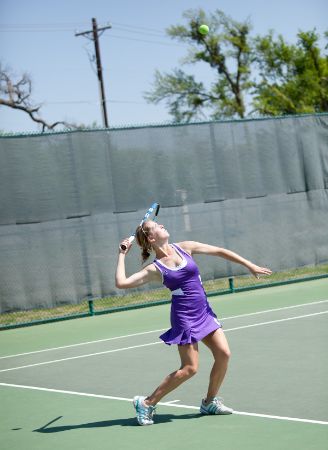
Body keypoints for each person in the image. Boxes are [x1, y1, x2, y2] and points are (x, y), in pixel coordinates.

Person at [115, 220, 272, 426]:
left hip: (204, 312)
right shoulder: (155, 268)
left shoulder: (185, 247)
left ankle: (209, 402)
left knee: (224, 354)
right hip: (184, 317)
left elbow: (219, 251)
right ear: (151, 238)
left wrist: (249, 265)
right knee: (189, 368)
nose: (162, 224)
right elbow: (121, 283)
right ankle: (146, 403)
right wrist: (122, 254)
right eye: (157, 226)